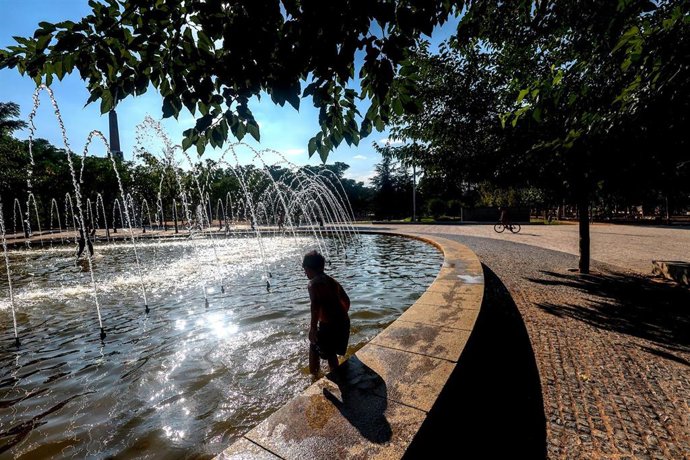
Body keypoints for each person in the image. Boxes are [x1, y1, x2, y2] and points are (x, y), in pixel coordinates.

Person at [302, 250, 350, 376]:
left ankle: (314, 376)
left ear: (308, 268)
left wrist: (313, 328)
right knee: (331, 352)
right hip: (343, 323)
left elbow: (315, 306)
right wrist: (339, 316)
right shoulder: (332, 281)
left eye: (305, 269)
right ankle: (335, 374)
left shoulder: (313, 284)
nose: (304, 273)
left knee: (314, 345)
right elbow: (346, 300)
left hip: (329, 325)